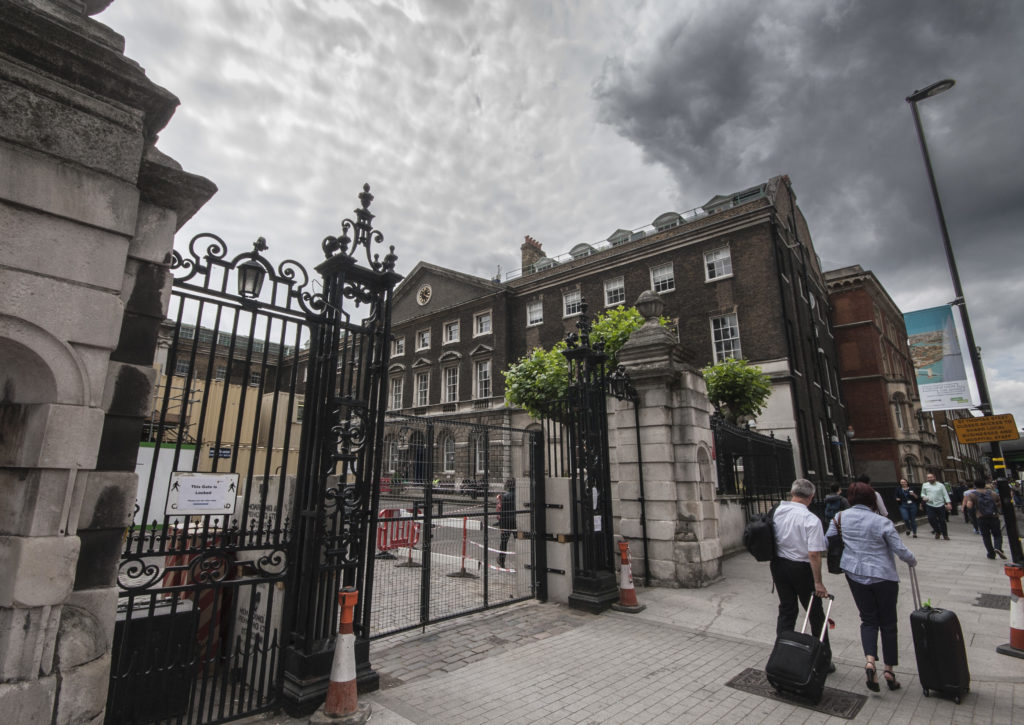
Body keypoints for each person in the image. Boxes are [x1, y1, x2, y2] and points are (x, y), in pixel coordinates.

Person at [827, 481, 917, 692]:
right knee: (888, 622)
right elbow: (900, 550)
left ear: (850, 499)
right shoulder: (882, 522)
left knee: (867, 619)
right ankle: (889, 670)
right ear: (872, 500)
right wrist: (912, 560)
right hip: (882, 575)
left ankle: (869, 662)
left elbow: (826, 540)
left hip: (854, 573)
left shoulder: (839, 517)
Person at [770, 478, 834, 673]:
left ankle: (781, 653)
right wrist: (818, 582)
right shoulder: (811, 520)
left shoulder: (777, 511)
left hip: (779, 566)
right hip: (802, 569)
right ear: (812, 497)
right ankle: (822, 658)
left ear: (792, 492)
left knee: (787, 610)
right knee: (815, 614)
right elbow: (814, 554)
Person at [963, 479, 1006, 560]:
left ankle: (991, 554)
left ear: (975, 485)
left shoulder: (972, 495)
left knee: (986, 536)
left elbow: (969, 506)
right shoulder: (993, 493)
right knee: (997, 534)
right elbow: (999, 503)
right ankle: (998, 547)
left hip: (981, 517)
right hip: (994, 517)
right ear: (985, 485)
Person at [920, 472, 952, 539]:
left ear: (934, 477)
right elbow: (922, 494)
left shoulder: (941, 485)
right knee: (931, 519)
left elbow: (945, 494)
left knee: (942, 520)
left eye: (931, 477)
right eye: (928, 478)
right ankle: (937, 531)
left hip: (940, 505)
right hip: (930, 504)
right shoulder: (925, 485)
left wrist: (948, 503)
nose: (929, 479)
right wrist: (924, 497)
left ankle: (945, 535)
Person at [496, 480, 516, 568]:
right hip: (516, 522)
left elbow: (502, 512)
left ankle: (502, 560)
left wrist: (501, 525)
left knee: (504, 542)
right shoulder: (519, 496)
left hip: (506, 522)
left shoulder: (505, 497)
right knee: (519, 541)